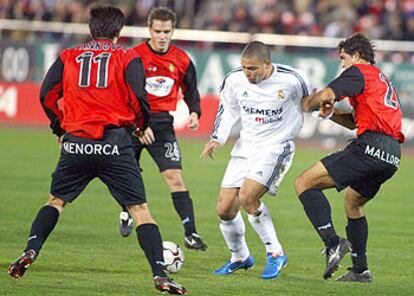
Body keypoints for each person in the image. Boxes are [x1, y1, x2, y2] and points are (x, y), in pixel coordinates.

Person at [7, 6, 187, 295]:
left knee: (56, 201)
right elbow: (139, 97)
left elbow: (47, 95)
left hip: (76, 143)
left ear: (91, 29)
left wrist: (60, 128)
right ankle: (159, 274)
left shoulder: (68, 56)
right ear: (119, 32)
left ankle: (31, 250)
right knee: (140, 211)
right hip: (114, 143)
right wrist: (140, 127)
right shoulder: (129, 56)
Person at [295, 33, 404, 283]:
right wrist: (332, 113)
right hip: (392, 156)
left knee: (304, 183)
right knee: (353, 203)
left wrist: (306, 103)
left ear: (356, 56)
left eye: (343, 58)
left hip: (370, 147)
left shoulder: (359, 72)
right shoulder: (379, 79)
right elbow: (357, 121)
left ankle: (333, 243)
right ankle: (360, 270)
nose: (342, 64)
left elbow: (324, 95)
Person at [201, 41, 313, 279]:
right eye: (244, 68)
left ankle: (275, 253)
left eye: (252, 68)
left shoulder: (293, 79)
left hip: (276, 146)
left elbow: (309, 103)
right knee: (224, 209)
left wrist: (325, 109)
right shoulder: (234, 80)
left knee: (248, 197)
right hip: (246, 146)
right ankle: (240, 257)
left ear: (267, 64)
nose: (248, 73)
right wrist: (216, 139)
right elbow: (228, 109)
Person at [117, 7, 207, 251]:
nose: (162, 36)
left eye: (167, 31)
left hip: (162, 125)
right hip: (132, 123)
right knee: (127, 177)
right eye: (158, 31)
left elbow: (191, 90)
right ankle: (125, 210)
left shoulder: (182, 59)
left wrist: (195, 112)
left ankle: (191, 233)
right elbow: (122, 94)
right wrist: (137, 125)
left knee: (175, 177)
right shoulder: (132, 56)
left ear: (173, 31)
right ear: (149, 30)